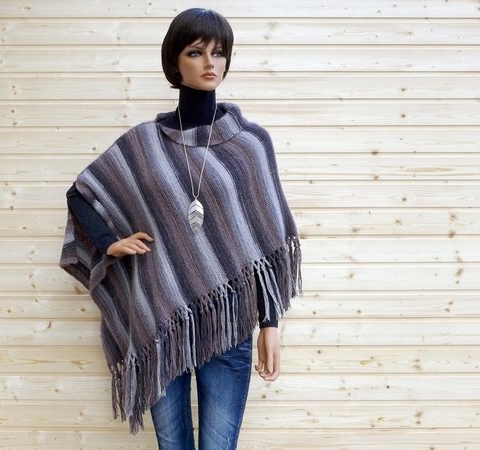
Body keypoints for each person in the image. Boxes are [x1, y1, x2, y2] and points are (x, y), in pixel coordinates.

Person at [59, 7, 302, 449]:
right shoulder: (144, 144)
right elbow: (80, 193)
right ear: (175, 61)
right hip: (161, 322)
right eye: (196, 52)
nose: (210, 62)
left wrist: (270, 323)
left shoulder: (250, 144)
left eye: (219, 53)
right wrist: (109, 243)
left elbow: (265, 250)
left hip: (229, 324)